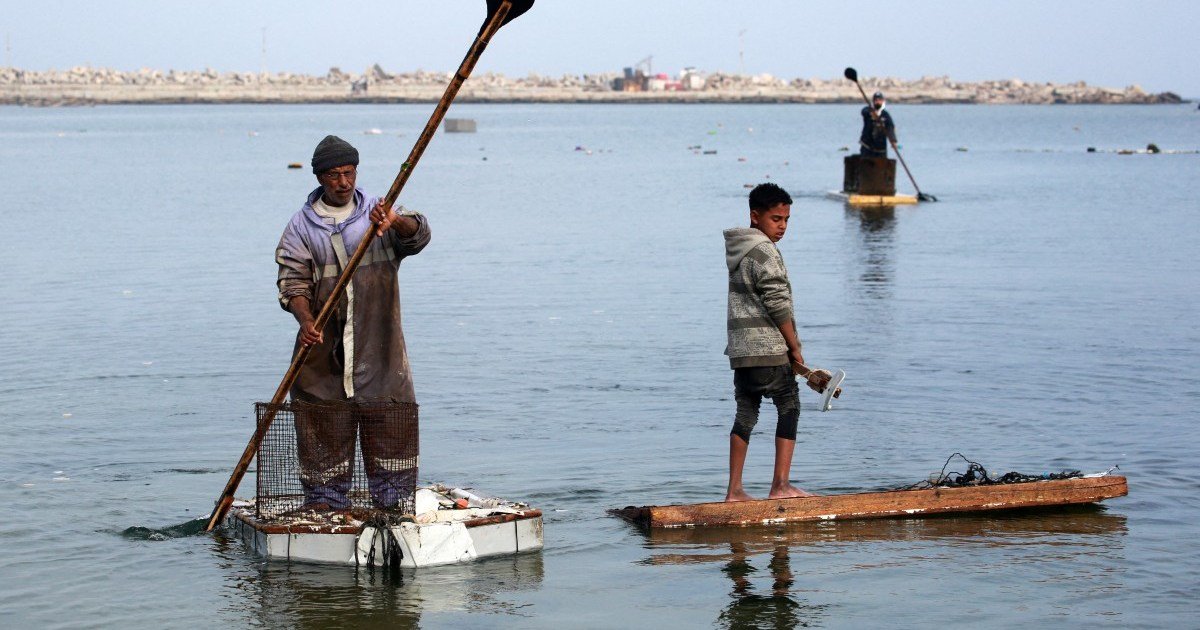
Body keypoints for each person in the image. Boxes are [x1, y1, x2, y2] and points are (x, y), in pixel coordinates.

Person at [275, 134, 431, 511]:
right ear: (319, 178)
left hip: (381, 352)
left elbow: (418, 236)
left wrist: (395, 221)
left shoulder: (379, 213)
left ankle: (393, 507)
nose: (343, 183)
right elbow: (291, 282)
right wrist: (306, 319)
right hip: (321, 358)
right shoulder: (301, 227)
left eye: (349, 173)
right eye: (334, 176)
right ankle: (326, 508)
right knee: (322, 432)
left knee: (391, 430)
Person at [722, 183, 813, 502]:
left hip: (741, 350)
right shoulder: (764, 250)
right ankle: (781, 486)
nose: (783, 226)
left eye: (787, 219)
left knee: (746, 412)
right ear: (755, 216)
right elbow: (777, 302)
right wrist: (795, 346)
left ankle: (734, 491)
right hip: (768, 348)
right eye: (776, 219)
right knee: (789, 405)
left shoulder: (738, 249)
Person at [859, 91, 896, 158]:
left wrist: (893, 140)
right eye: (876, 100)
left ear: (882, 101)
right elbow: (863, 111)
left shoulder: (885, 115)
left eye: (879, 100)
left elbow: (890, 127)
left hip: (880, 149)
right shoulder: (868, 111)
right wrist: (871, 113)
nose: (877, 101)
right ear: (873, 101)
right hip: (867, 148)